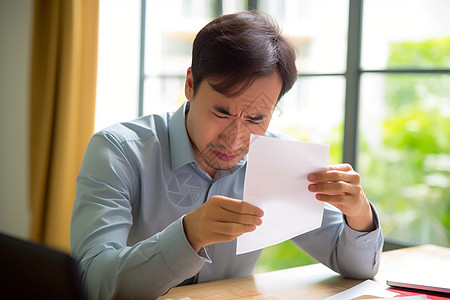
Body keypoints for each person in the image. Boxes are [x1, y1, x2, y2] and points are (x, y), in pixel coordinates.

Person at [71, 11, 383, 300]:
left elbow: (358, 269)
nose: (235, 138)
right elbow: (94, 283)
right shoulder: (118, 150)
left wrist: (358, 213)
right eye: (221, 111)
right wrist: (188, 235)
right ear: (190, 84)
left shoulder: (280, 160)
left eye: (256, 119)